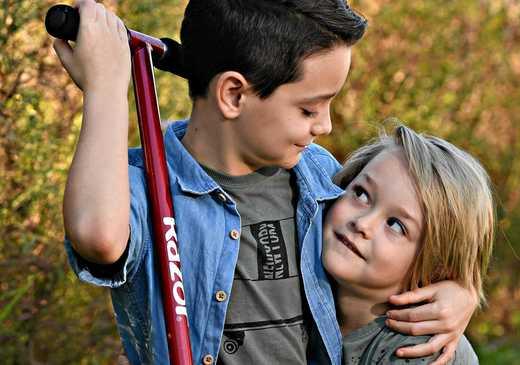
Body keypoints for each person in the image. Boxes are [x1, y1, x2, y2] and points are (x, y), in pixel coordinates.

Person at [53, 0, 478, 364]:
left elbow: (399, 242)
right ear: (234, 95)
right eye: (310, 110)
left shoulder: (314, 174)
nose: (326, 126)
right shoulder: (149, 189)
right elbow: (98, 236)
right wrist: (106, 87)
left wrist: (461, 291)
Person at [321, 123, 493, 364]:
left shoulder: (418, 352)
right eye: (361, 194)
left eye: (395, 225)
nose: (363, 224)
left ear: (438, 267)